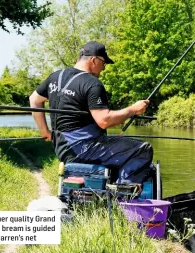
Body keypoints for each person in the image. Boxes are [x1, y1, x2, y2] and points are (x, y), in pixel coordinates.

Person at [29, 41, 153, 184]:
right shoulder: (92, 83)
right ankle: (124, 195)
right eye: (103, 63)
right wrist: (133, 110)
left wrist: (45, 132)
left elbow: (34, 100)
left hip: (61, 147)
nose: (104, 68)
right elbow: (104, 120)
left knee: (119, 146)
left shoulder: (55, 77)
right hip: (83, 148)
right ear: (94, 60)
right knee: (142, 149)